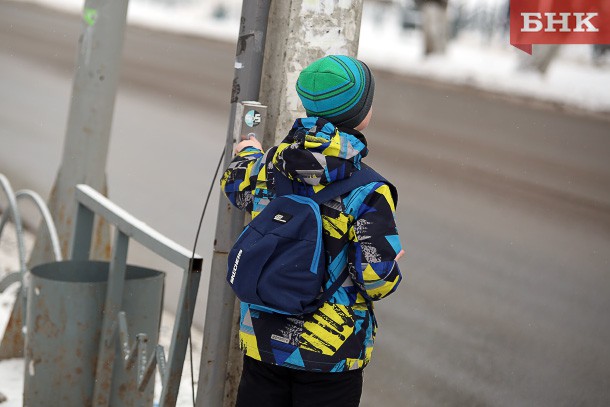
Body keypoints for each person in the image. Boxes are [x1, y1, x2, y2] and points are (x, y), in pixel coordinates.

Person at [221, 54, 404, 407]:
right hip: (331, 355)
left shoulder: (271, 164)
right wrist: (391, 263)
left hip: (264, 340)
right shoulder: (368, 190)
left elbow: (235, 184)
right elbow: (375, 280)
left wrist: (247, 153)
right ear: (361, 114)